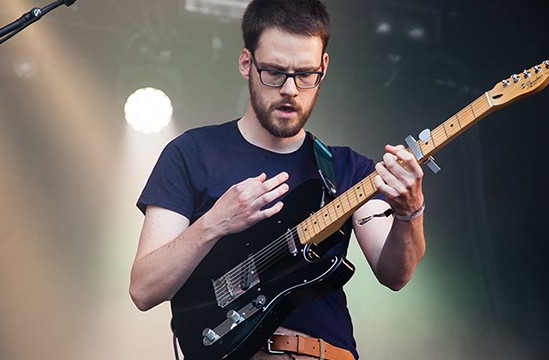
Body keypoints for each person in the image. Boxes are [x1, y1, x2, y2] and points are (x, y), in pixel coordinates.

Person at [129, 0, 427, 358]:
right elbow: (144, 289)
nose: (290, 89)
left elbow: (396, 274)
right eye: (274, 72)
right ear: (246, 63)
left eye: (305, 74)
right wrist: (213, 224)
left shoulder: (346, 168)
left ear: (324, 67)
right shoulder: (190, 153)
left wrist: (411, 211)